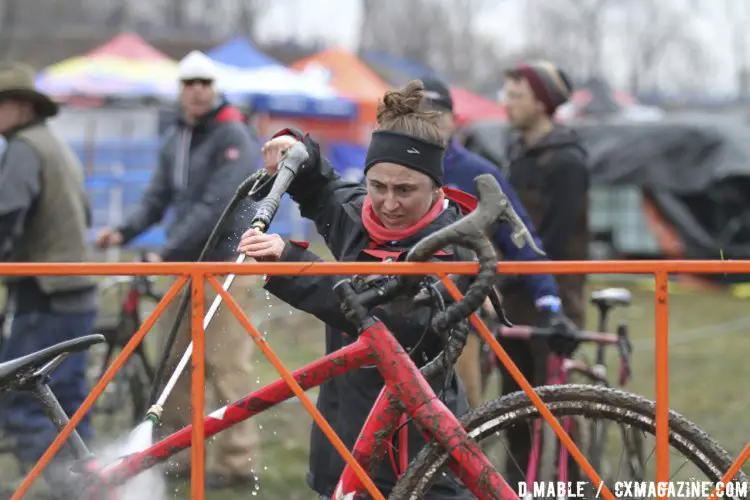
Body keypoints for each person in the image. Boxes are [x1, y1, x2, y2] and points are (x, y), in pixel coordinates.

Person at [238, 80, 477, 499]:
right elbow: (321, 185)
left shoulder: (455, 242)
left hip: (420, 440)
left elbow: (400, 316)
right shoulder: (358, 212)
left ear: (436, 188)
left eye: (405, 190)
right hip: (345, 426)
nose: (388, 203)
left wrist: (294, 264)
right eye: (378, 185)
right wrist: (295, 148)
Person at [95, 51, 262, 489]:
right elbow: (158, 196)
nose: (197, 90)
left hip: (227, 264)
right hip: (185, 265)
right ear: (180, 88)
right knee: (174, 363)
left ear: (214, 86)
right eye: (189, 82)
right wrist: (124, 231)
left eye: (204, 82)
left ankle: (237, 461)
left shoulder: (233, 135)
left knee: (226, 365)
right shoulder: (178, 136)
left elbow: (217, 207)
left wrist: (164, 250)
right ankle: (179, 453)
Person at [418, 76, 569, 411]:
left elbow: (520, 236)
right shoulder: (389, 171)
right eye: (417, 115)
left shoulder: (478, 173)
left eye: (435, 114)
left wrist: (548, 299)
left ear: (453, 120)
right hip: (396, 315)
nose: (426, 123)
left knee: (462, 420)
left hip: (458, 317)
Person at [0, 62, 97, 495]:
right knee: (70, 401)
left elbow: (6, 214)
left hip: (44, 292)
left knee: (22, 398)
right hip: (76, 289)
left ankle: (54, 489)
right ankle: (90, 484)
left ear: (19, 106)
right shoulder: (55, 146)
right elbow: (87, 213)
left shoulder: (23, 148)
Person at [500, 61, 590, 484]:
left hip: (555, 298)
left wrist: (519, 273)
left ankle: (573, 488)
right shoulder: (517, 154)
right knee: (512, 408)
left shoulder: (567, 160)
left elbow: (552, 237)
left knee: (559, 410)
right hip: (514, 298)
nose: (507, 103)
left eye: (516, 94)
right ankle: (514, 488)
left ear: (542, 102)